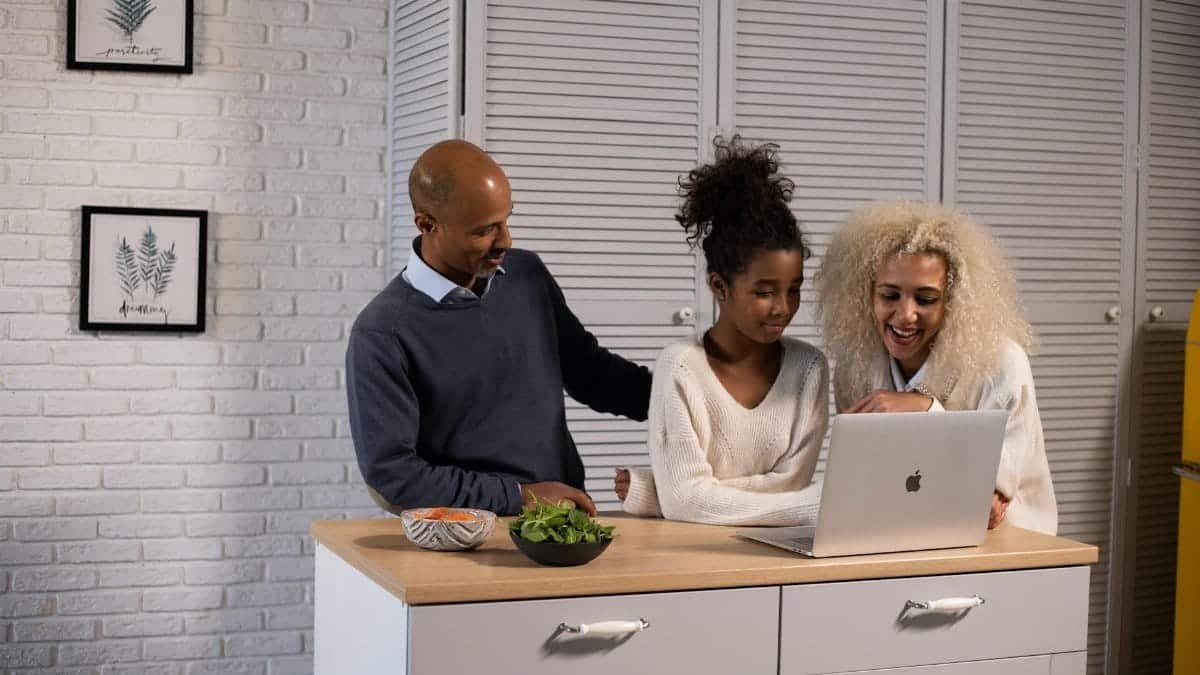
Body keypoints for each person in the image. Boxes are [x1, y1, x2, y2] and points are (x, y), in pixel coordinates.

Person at [346, 139, 652, 516]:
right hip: (466, 538)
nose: (505, 240)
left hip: (564, 522)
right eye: (484, 231)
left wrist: (689, 396)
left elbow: (590, 373)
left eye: (506, 219)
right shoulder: (382, 333)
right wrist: (522, 496)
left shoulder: (527, 276)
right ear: (427, 224)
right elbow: (394, 476)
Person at [615, 137, 828, 526]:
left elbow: (789, 485)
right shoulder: (679, 367)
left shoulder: (809, 369)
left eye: (794, 289)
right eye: (764, 291)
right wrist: (814, 505)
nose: (783, 307)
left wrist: (664, 494)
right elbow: (691, 502)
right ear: (719, 286)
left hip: (777, 556)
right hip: (692, 559)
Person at [815, 199, 1057, 534]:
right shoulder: (855, 367)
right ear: (866, 294)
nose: (905, 315)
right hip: (900, 537)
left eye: (926, 299)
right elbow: (865, 480)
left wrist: (927, 409)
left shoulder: (1000, 362)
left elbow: (985, 505)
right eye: (889, 295)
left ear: (952, 301)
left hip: (1010, 547)